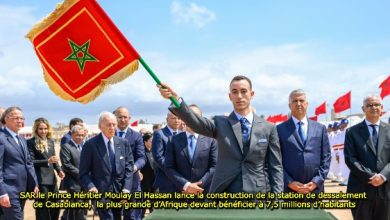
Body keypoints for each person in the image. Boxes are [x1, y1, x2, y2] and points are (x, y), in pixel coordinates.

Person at [158, 75, 283, 193]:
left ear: (252, 94)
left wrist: (277, 200)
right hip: (225, 193)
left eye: (244, 91)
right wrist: (175, 100)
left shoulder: (268, 128)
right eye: (234, 92)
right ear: (230, 96)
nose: (239, 96)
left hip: (259, 194)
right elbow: (196, 122)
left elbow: (275, 167)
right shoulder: (220, 123)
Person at [79, 112, 134, 220]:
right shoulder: (90, 145)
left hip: (120, 193)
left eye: (114, 124)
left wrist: (126, 189)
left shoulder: (123, 143)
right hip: (101, 194)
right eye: (109, 125)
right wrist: (91, 187)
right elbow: (83, 173)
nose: (112, 127)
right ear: (100, 126)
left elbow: (129, 168)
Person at [344, 95, 390, 220]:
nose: (373, 107)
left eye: (376, 105)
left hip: (386, 189)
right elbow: (350, 159)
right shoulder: (352, 132)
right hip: (360, 188)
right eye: (369, 105)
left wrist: (382, 176)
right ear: (363, 109)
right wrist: (371, 176)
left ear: (382, 108)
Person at [276, 89, 331, 194]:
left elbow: (326, 157)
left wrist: (316, 181)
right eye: (295, 101)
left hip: (315, 190)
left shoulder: (320, 128)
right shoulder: (279, 130)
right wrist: (289, 182)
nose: (298, 104)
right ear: (289, 105)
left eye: (301, 100)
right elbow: (276, 161)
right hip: (289, 190)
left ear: (307, 104)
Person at [165, 104, 217, 194]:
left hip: (204, 193)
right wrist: (186, 185)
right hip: (181, 193)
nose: (191, 119)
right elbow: (169, 167)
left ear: (201, 119)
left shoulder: (211, 140)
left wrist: (197, 186)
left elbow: (214, 167)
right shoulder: (173, 140)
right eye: (188, 116)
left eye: (195, 116)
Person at [0, 107, 39, 219]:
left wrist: (34, 183)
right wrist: (2, 193)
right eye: (16, 118)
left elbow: (28, 162)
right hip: (9, 190)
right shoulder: (1, 138)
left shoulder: (21, 139)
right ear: (6, 119)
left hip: (23, 188)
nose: (20, 121)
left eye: (22, 118)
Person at [27, 117, 65, 220]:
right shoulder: (30, 142)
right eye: (40, 129)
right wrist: (47, 161)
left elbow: (54, 159)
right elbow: (30, 162)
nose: (43, 131)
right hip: (40, 180)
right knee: (42, 207)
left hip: (52, 179)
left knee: (56, 204)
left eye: (45, 128)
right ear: (36, 129)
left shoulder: (51, 141)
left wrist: (59, 170)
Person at [113, 107, 145, 220]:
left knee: (132, 216)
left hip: (132, 182)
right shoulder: (109, 135)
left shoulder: (136, 136)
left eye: (125, 117)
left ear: (129, 119)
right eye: (119, 117)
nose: (122, 120)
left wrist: (134, 167)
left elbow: (141, 157)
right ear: (115, 118)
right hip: (113, 184)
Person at [60, 125, 88, 220]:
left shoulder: (85, 147)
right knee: (78, 209)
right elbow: (67, 165)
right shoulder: (66, 147)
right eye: (78, 135)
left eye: (82, 135)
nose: (80, 137)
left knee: (82, 208)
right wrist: (82, 174)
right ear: (72, 134)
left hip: (85, 184)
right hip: (73, 184)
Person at [152, 112, 182, 193]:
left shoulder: (182, 134)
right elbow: (158, 157)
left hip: (182, 180)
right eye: (173, 118)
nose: (177, 121)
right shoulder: (159, 134)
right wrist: (172, 170)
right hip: (166, 180)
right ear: (167, 119)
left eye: (179, 118)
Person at [140, 132, 155, 217]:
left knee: (153, 209)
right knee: (142, 209)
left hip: (154, 185)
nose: (153, 143)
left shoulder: (154, 152)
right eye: (151, 141)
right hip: (144, 185)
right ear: (145, 142)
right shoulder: (141, 153)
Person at [337, 119, 350, 186]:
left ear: (345, 124)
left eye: (342, 124)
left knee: (346, 165)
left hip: (346, 150)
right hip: (340, 150)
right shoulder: (341, 132)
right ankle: (345, 179)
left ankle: (348, 179)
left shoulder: (348, 131)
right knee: (342, 165)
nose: (341, 125)